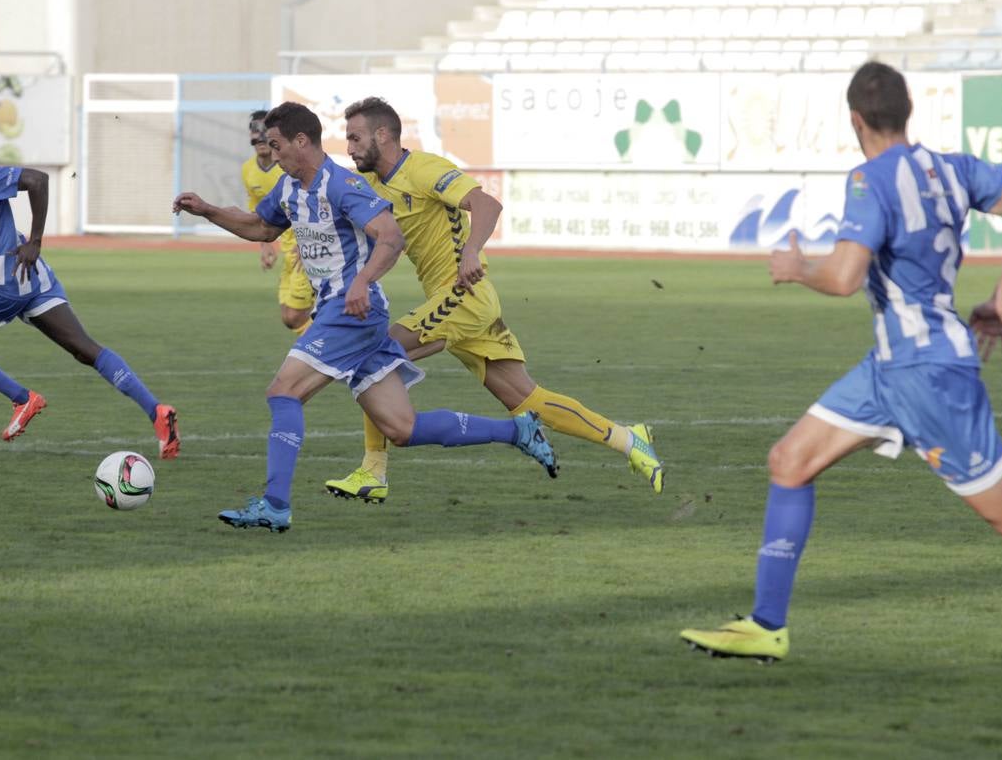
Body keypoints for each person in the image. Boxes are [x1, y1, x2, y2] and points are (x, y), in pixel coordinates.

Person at [681, 61, 1002, 663]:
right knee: (789, 461)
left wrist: (798, 270)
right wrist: (1000, 301)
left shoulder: (869, 180)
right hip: (890, 367)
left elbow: (845, 277)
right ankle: (766, 625)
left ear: (855, 119)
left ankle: (767, 623)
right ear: (908, 112)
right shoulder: (954, 169)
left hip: (925, 373)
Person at [172, 101, 558, 533]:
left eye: (277, 145)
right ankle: (520, 432)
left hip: (352, 309)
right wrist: (208, 210)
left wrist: (361, 282)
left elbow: (390, 237)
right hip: (347, 311)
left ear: (301, 141)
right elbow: (260, 229)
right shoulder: (287, 189)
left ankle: (275, 504)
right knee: (402, 427)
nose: (272, 154)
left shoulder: (342, 185)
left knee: (284, 392)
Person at [321, 96, 662, 505]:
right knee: (527, 399)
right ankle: (629, 439)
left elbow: (486, 203)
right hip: (462, 303)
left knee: (374, 354)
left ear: (382, 135)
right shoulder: (374, 186)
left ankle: (373, 470)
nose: (350, 147)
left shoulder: (425, 169)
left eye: (355, 137)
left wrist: (471, 250)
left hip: (462, 295)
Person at [0, 117, 180, 458]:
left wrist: (36, 240)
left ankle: (22, 398)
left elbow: (37, 180)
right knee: (84, 348)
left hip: (1, 284)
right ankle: (157, 412)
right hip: (32, 277)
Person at [241, 110, 315, 334]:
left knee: (295, 315)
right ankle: (332, 354)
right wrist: (265, 246)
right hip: (287, 251)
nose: (260, 138)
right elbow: (257, 209)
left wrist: (310, 243)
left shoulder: (291, 167)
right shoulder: (248, 170)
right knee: (289, 316)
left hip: (306, 250)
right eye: (255, 131)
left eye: (265, 132)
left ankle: (337, 352)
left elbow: (315, 202)